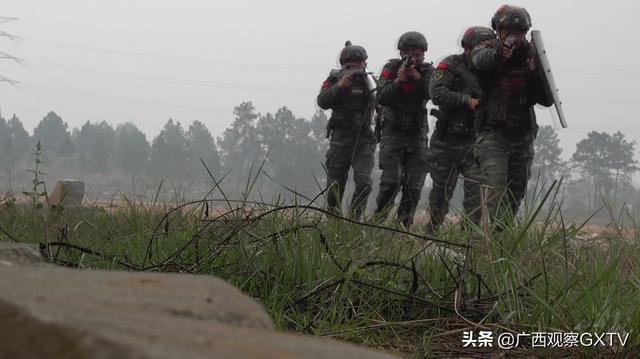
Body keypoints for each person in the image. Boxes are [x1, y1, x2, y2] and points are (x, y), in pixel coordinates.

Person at [471, 5, 553, 224]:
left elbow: (547, 98)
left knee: (516, 190)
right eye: (509, 31)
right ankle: (497, 243)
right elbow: (481, 60)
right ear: (498, 30)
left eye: (519, 32)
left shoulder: (531, 54)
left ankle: (502, 237)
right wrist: (501, 53)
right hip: (492, 134)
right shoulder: (487, 47)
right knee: (496, 187)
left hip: (521, 135)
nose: (515, 37)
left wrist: (534, 72)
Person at [425, 26, 496, 233]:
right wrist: (466, 100)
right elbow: (436, 93)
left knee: (476, 195)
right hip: (446, 141)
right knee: (440, 194)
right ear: (468, 47)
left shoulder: (490, 70)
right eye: (481, 46)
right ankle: (431, 234)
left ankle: (470, 240)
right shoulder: (450, 65)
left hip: (474, 142)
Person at [374, 31, 432, 227]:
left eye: (416, 53)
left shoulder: (427, 72)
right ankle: (379, 221)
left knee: (414, 185)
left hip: (417, 135)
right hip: (393, 132)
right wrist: (398, 80)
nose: (412, 57)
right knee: (390, 182)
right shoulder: (391, 69)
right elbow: (381, 96)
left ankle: (402, 227)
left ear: (423, 53)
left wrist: (415, 76)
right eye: (407, 53)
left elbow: (433, 93)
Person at [317, 41, 376, 219]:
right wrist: (340, 86)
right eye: (350, 65)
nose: (355, 68)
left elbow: (382, 101)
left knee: (364, 183)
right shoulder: (335, 79)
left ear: (365, 63)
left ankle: (354, 220)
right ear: (343, 65)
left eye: (359, 64)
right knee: (335, 184)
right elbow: (322, 101)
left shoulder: (370, 80)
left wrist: (368, 84)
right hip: (340, 138)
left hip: (364, 139)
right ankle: (334, 221)